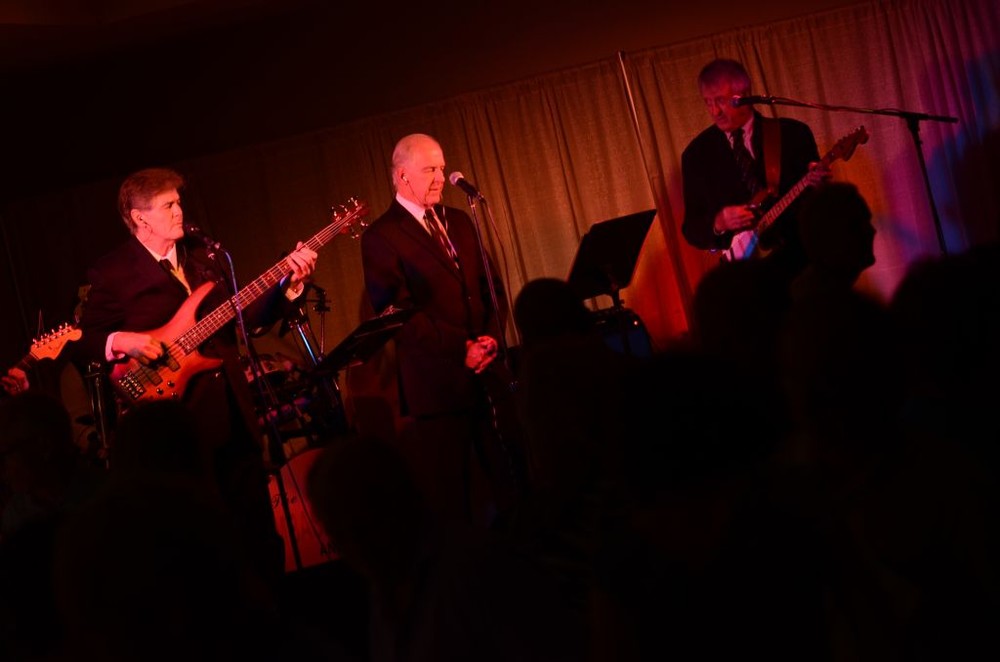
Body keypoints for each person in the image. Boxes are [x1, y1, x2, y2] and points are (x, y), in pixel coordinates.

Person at [72, 166, 318, 588]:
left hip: (234, 414)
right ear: (140, 217)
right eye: (168, 205)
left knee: (260, 538)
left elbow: (244, 320)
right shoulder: (113, 272)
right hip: (179, 425)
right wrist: (123, 340)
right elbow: (82, 341)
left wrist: (288, 286)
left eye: (179, 201)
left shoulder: (204, 257)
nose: (179, 211)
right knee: (209, 552)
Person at [359, 133, 518, 532]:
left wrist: (491, 336)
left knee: (511, 481)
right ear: (402, 176)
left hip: (488, 374)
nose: (440, 177)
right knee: (457, 502)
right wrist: (461, 347)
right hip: (438, 387)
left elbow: (491, 287)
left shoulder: (459, 220)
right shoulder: (382, 236)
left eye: (442, 168)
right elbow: (398, 315)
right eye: (430, 169)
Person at [681, 58, 829, 277]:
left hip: (803, 262)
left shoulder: (792, 134)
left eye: (720, 101)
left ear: (744, 95)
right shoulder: (696, 155)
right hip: (747, 275)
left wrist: (819, 185)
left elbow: (819, 204)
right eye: (708, 102)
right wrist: (719, 222)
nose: (714, 111)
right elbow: (691, 228)